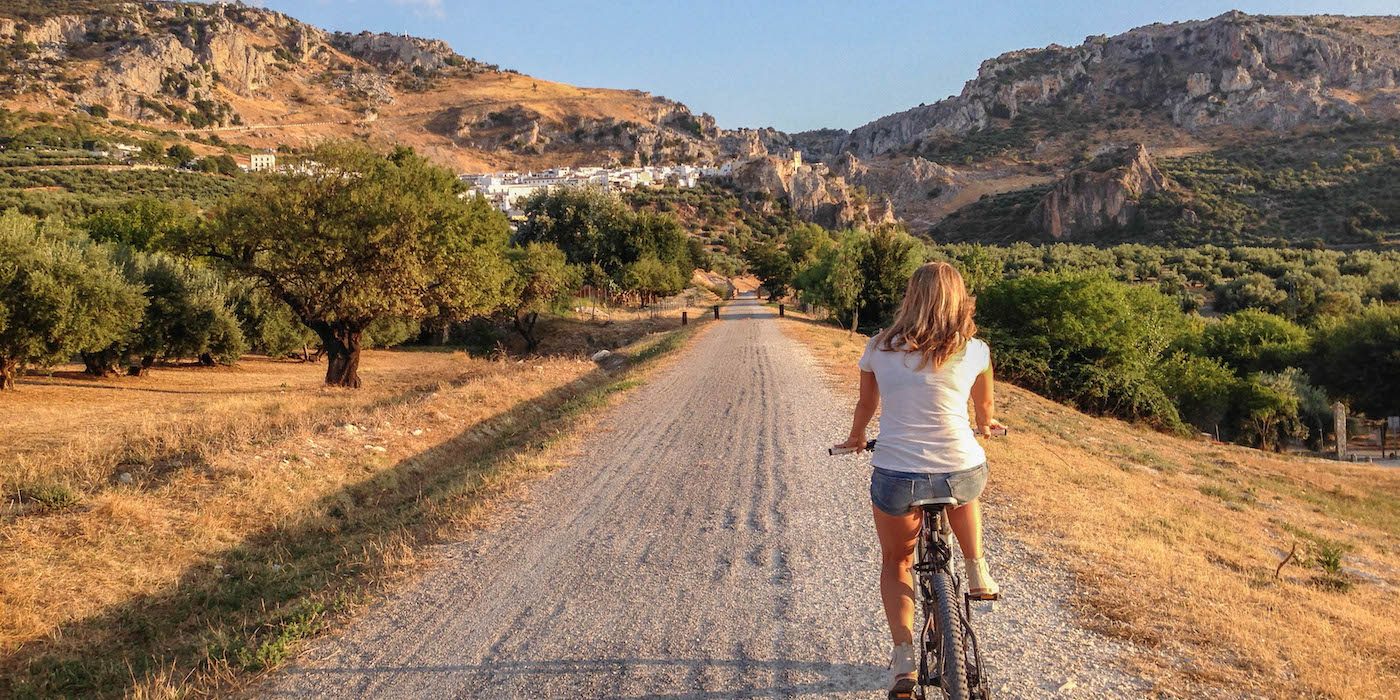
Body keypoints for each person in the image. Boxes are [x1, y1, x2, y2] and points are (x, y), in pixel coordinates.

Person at [831, 262, 1005, 698]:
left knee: (897, 561)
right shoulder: (976, 350)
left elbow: (865, 407)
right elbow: (984, 412)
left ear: (911, 297)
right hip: (959, 470)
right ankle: (976, 566)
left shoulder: (877, 348)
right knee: (965, 476)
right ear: (958, 299)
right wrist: (986, 426)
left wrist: (855, 439)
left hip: (897, 475)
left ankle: (904, 657)